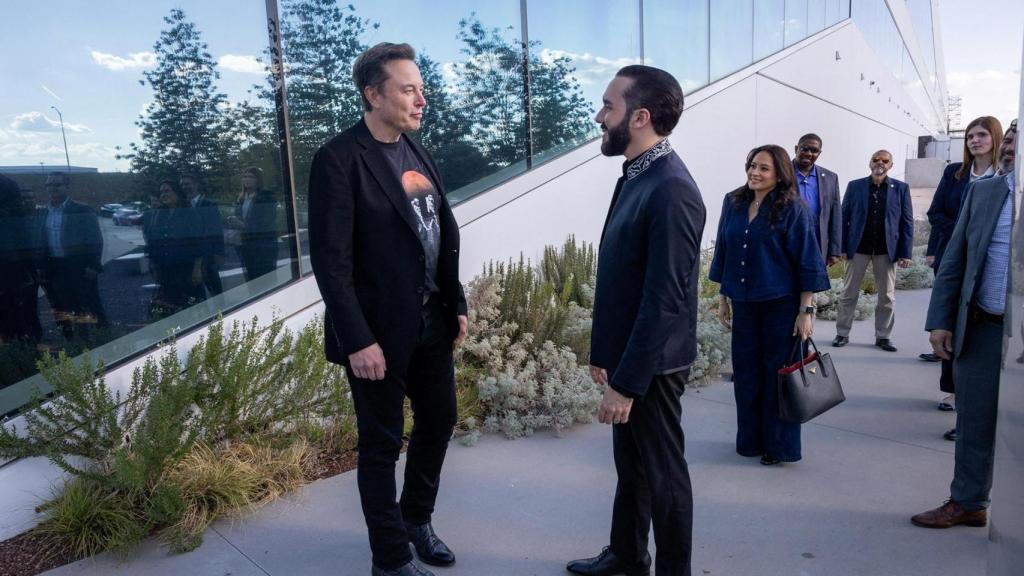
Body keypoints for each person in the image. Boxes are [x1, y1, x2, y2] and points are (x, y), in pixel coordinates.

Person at [307, 42, 468, 576]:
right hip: (376, 333)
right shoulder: (338, 159)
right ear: (373, 94)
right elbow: (331, 262)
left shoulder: (417, 150)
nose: (422, 99)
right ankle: (391, 558)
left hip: (430, 319)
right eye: (408, 89)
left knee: (439, 420)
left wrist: (456, 301)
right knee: (380, 444)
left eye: (421, 88)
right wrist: (357, 339)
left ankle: (415, 520)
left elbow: (438, 233)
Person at [566, 65, 704, 576]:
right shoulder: (639, 174)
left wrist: (626, 383)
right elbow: (624, 278)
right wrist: (606, 354)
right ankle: (627, 557)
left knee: (665, 476)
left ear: (640, 116)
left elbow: (664, 299)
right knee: (634, 469)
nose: (601, 116)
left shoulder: (671, 189)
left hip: (654, 367)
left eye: (609, 106)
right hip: (631, 359)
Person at [912, 121, 1018, 529]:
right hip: (984, 328)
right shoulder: (985, 191)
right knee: (973, 421)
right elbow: (955, 259)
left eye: (1016, 141)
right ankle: (969, 501)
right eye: (1007, 139)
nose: (1010, 147)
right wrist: (940, 321)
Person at [710, 145, 829, 467]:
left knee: (779, 378)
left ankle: (779, 447)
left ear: (779, 174)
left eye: (763, 168)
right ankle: (750, 440)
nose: (755, 172)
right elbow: (724, 249)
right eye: (751, 165)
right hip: (744, 304)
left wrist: (806, 311)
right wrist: (723, 298)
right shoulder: (733, 202)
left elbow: (807, 260)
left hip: (782, 307)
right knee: (747, 375)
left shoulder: (793, 208)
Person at [923, 116, 1002, 428]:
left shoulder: (1005, 177)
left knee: (977, 332)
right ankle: (953, 391)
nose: (975, 140)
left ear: (994, 138)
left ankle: (974, 405)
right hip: (955, 262)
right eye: (970, 136)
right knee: (949, 325)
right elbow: (935, 213)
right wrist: (966, 232)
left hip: (989, 267)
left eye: (982, 135)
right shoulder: (954, 174)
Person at [832, 150, 914, 352]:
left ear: (891, 165)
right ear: (869, 163)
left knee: (887, 296)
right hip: (858, 248)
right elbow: (844, 217)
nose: (880, 163)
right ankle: (842, 333)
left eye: (884, 160)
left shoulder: (901, 188)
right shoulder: (855, 186)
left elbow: (906, 221)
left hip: (887, 250)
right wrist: (841, 248)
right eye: (876, 159)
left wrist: (905, 252)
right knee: (848, 293)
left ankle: (883, 336)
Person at [36, 172, 106, 340]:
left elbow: (95, 239)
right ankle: (81, 343)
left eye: (57, 184)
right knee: (69, 308)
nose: (52, 188)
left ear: (67, 187)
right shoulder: (43, 213)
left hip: (80, 267)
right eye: (49, 185)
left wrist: (93, 265)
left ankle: (106, 339)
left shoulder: (81, 210)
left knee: (92, 305)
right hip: (56, 268)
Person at [144, 180, 205, 316]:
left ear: (177, 193)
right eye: (161, 192)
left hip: (186, 269)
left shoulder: (189, 213)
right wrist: (154, 265)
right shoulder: (159, 214)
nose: (163, 195)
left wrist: (197, 269)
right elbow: (154, 242)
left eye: (167, 191)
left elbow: (198, 242)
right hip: (167, 271)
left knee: (192, 306)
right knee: (171, 307)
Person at [793, 133, 842, 267]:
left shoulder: (831, 178)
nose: (809, 153)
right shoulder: (780, 173)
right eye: (804, 149)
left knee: (811, 286)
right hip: (786, 243)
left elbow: (835, 215)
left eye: (814, 150)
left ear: (819, 153)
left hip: (817, 244)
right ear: (796, 148)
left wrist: (835, 251)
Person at [226, 166, 279, 282]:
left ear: (258, 180)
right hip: (247, 246)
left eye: (251, 177)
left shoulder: (266, 196)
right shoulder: (241, 198)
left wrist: (241, 224)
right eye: (245, 177)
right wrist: (233, 220)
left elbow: (264, 224)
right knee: (251, 280)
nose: (247, 179)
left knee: (266, 280)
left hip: (264, 245)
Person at [180, 171, 225, 297]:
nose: (185, 187)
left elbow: (216, 230)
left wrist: (219, 253)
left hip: (209, 255)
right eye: (182, 185)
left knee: (215, 290)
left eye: (187, 184)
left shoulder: (209, 205)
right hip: (191, 256)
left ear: (196, 185)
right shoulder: (182, 207)